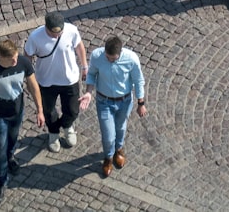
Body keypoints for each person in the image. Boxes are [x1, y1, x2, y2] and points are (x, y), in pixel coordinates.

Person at [0, 39, 45, 204]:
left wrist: (40, 110)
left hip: (17, 112)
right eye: (12, 59)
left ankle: (11, 157)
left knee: (13, 139)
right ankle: (1, 181)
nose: (15, 61)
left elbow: (33, 85)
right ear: (1, 57)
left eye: (16, 56)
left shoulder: (23, 63)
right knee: (0, 147)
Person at [78, 36, 147, 178]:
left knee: (121, 127)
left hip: (124, 101)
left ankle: (119, 149)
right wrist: (89, 93)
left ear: (120, 53)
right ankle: (108, 157)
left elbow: (138, 80)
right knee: (108, 135)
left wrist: (141, 103)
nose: (110, 60)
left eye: (113, 59)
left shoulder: (131, 59)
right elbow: (91, 74)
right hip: (104, 102)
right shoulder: (97, 56)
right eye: (107, 57)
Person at [24, 11, 89, 153]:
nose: (56, 36)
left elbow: (79, 46)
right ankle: (53, 133)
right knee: (48, 110)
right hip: (46, 81)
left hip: (69, 79)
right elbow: (27, 55)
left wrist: (84, 66)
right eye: (53, 33)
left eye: (59, 33)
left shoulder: (71, 30)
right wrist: (29, 77)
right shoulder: (35, 37)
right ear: (46, 27)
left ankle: (67, 126)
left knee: (72, 110)